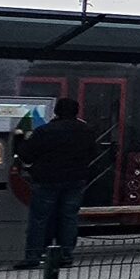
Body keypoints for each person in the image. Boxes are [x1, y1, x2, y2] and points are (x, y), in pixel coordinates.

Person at [17, 96, 102, 269]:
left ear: (56, 111)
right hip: (75, 180)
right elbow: (94, 153)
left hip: (46, 180)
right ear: (76, 112)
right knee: (69, 218)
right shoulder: (86, 131)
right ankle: (65, 256)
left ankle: (33, 256)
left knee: (40, 219)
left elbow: (26, 155)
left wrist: (19, 139)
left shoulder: (44, 131)